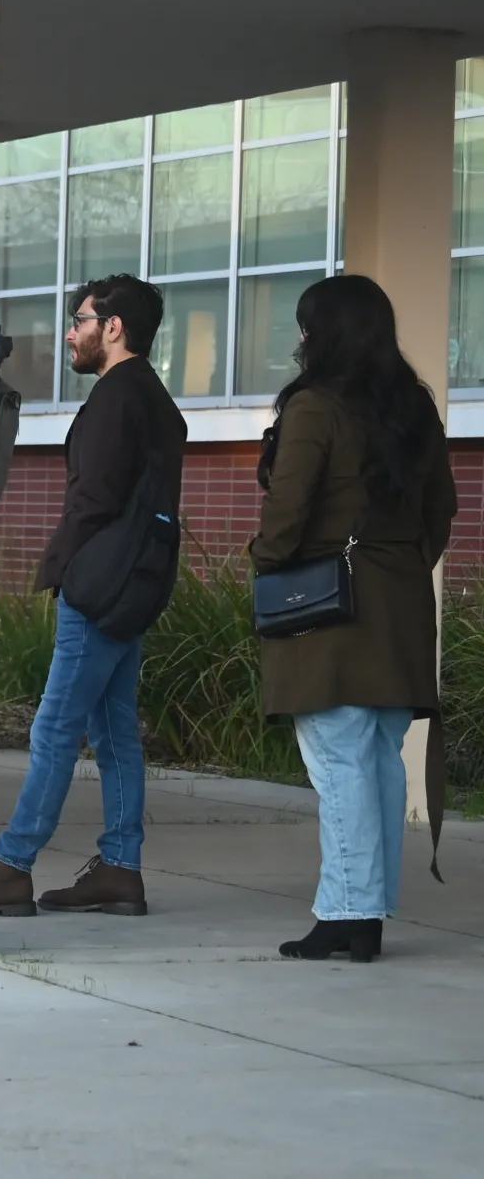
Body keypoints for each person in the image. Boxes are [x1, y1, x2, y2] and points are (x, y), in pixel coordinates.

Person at [252, 275, 455, 962]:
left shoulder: (315, 406)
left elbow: (287, 511)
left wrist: (266, 559)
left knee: (340, 761)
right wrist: (401, 561)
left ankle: (347, 911)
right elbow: (442, 509)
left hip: (331, 608)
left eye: (306, 326)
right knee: (378, 760)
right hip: (401, 605)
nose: (301, 338)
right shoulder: (415, 406)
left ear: (324, 334)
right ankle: (363, 916)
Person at [0, 274, 187, 919]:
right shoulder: (156, 400)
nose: (71, 333)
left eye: (80, 320)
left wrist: (59, 567)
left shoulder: (115, 399)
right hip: (136, 586)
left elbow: (92, 499)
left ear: (113, 327)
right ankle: (120, 868)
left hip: (99, 588)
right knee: (115, 731)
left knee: (55, 728)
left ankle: (11, 865)